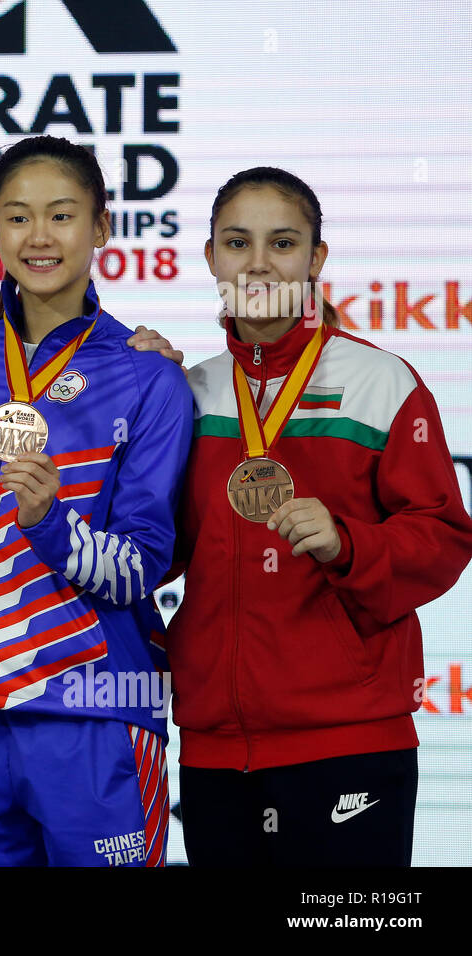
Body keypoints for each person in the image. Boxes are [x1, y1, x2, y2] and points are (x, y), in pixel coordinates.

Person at [133, 166, 472, 865]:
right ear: (210, 259)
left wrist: (349, 544)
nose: (258, 263)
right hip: (215, 745)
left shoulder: (383, 384)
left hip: (350, 738)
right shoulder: (187, 392)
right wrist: (122, 398)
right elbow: (151, 549)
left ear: (317, 258)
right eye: (237, 242)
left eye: (282, 243)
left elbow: (443, 537)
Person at [0, 135, 194, 866]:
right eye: (17, 217)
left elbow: (145, 565)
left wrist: (52, 527)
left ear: (101, 228)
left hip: (92, 709)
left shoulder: (147, 377)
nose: (39, 237)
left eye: (62, 216)